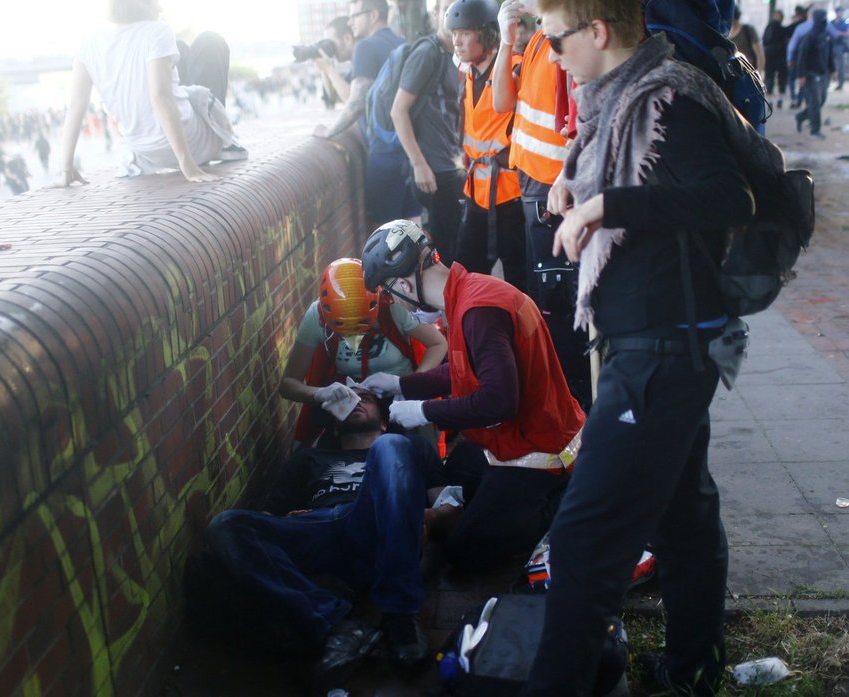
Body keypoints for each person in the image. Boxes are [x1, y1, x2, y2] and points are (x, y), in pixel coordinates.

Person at [517, 0, 771, 693]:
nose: (551, 55)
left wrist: (607, 206)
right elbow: (648, 177)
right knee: (683, 517)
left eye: (555, 40)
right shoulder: (616, 98)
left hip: (662, 349)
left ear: (597, 33)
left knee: (583, 540)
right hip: (660, 342)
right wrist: (578, 182)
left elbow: (729, 196)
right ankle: (694, 670)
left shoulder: (668, 96)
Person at [359, 219, 585, 572]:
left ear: (403, 283)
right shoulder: (471, 292)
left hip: (541, 454)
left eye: (390, 295)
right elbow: (468, 371)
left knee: (463, 556)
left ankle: (562, 516)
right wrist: (400, 384)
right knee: (458, 469)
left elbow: (498, 401)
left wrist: (424, 412)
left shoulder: (478, 312)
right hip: (523, 438)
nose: (399, 306)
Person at [200, 386, 455, 685]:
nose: (357, 402)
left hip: (369, 522)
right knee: (225, 525)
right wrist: (285, 523)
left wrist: (422, 516)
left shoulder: (407, 447)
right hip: (315, 527)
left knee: (391, 447)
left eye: (367, 399)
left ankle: (399, 617)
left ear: (384, 420)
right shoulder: (307, 459)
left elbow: (450, 508)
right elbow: (267, 520)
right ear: (335, 423)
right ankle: (337, 625)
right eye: (350, 400)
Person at [493, 0, 592, 411]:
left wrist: (565, 178)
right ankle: (566, 411)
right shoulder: (535, 40)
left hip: (555, 189)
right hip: (532, 185)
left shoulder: (563, 40)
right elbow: (502, 103)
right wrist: (504, 41)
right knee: (546, 300)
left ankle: (576, 410)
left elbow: (583, 116)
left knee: (561, 305)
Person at [58, 0, 246, 187]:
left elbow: (76, 106)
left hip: (145, 153)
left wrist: (66, 168)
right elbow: (160, 96)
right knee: (210, 40)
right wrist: (188, 165)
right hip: (193, 145)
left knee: (179, 48)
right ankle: (224, 141)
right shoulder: (157, 31)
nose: (161, 8)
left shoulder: (88, 44)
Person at [279, 258, 447, 445]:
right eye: (344, 329)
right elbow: (287, 384)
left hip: (400, 398)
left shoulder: (391, 305)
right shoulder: (315, 317)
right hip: (350, 405)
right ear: (327, 315)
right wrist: (320, 394)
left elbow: (438, 344)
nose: (355, 336)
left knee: (422, 448)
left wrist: (409, 385)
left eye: (363, 326)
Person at [448, 0, 529, 294]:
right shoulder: (470, 75)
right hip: (477, 192)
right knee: (464, 274)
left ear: (486, 33)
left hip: (511, 192)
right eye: (455, 32)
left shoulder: (515, 67)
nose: (457, 40)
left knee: (520, 278)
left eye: (466, 32)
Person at [316, 0, 419, 229]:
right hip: (410, 152)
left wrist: (329, 133)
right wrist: (327, 68)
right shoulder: (402, 42)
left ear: (373, 15)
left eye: (355, 16)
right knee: (413, 232)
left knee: (381, 235)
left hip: (383, 153)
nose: (350, 23)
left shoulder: (365, 47)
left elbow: (355, 102)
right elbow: (346, 95)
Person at [391, 0, 464, 265]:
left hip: (453, 167)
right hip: (434, 172)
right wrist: (419, 164)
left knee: (456, 248)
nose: (452, 15)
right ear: (435, 15)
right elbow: (398, 111)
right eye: (446, 9)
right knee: (445, 254)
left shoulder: (455, 54)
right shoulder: (427, 52)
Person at [795, 9, 834, 139]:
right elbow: (802, 57)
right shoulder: (809, 37)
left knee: (821, 100)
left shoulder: (826, 36)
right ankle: (814, 130)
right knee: (815, 102)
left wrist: (832, 70)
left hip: (823, 74)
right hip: (810, 74)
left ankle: (801, 116)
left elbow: (829, 55)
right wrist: (801, 75)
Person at [312, 16, 356, 107]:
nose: (330, 48)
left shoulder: (365, 58)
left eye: (331, 43)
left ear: (347, 39)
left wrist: (329, 69)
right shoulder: (354, 69)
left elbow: (353, 102)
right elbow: (334, 97)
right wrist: (323, 69)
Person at [762, 10, 790, 107]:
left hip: (769, 57)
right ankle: (779, 100)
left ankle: (770, 100)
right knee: (781, 78)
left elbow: (764, 40)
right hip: (780, 57)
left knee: (770, 78)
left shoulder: (768, 28)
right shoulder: (782, 29)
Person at [728, 7, 764, 73]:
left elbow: (759, 55)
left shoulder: (747, 30)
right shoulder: (725, 34)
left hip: (750, 72)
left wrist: (758, 73)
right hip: (734, 74)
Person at [830, 7, 849, 90]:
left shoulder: (845, 22)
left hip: (840, 45)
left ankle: (840, 84)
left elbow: (847, 33)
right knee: (831, 64)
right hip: (831, 45)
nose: (840, 13)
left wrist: (838, 33)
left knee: (840, 65)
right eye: (839, 12)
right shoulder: (831, 22)